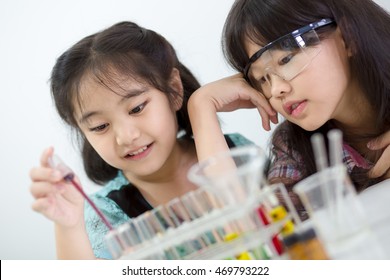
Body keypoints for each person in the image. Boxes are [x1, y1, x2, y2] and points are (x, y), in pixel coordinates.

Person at [29, 21, 253, 259]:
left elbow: (250, 232)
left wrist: (201, 107)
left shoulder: (235, 152)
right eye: (100, 126)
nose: (127, 137)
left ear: (174, 91)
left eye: (136, 109)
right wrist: (69, 227)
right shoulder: (104, 214)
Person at [188, 0, 390, 217]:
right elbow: (246, 228)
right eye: (261, 79)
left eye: (286, 59)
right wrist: (201, 106)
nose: (276, 90)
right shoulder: (295, 149)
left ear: (348, 37)